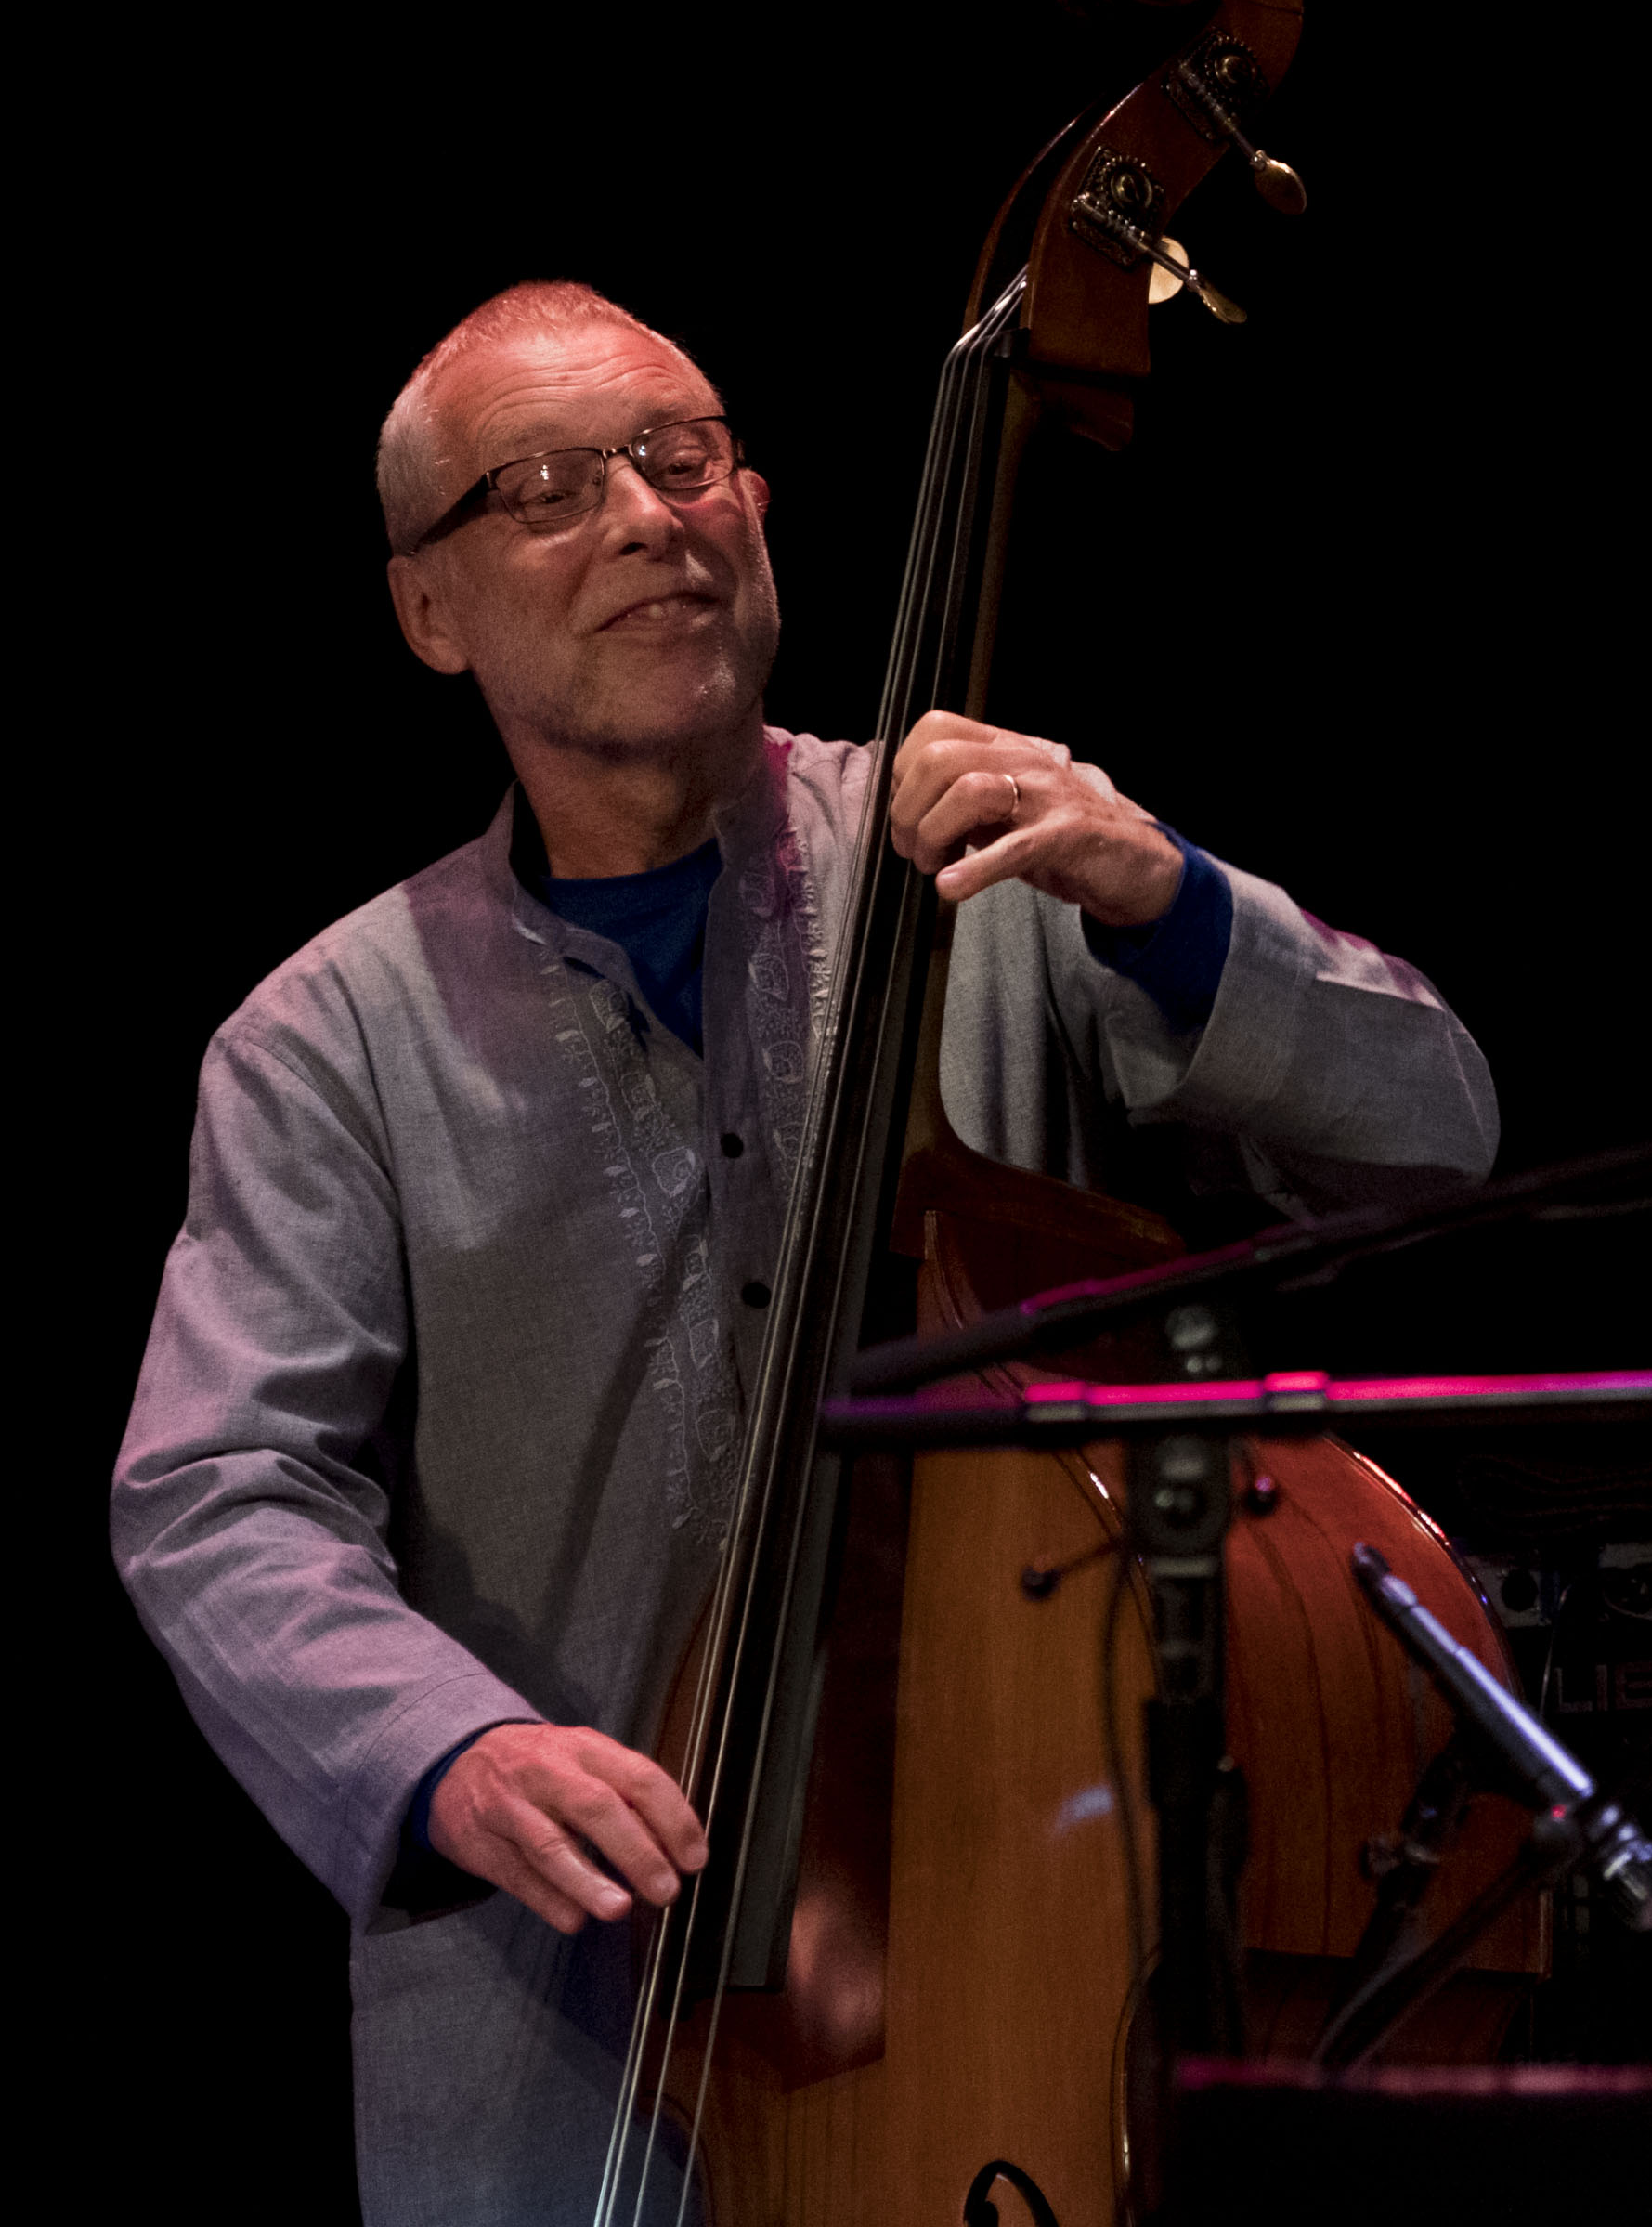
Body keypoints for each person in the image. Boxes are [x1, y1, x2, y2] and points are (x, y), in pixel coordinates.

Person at [111, 282, 1501, 2220]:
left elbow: (1440, 1137)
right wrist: (454, 1755)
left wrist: (1174, 906)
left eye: (681, 460)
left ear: (756, 508)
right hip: (563, 2046)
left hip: (1023, 2000)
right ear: (431, 609)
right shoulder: (322, 1041)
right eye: (546, 488)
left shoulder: (997, 880)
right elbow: (217, 1495)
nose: (644, 518)